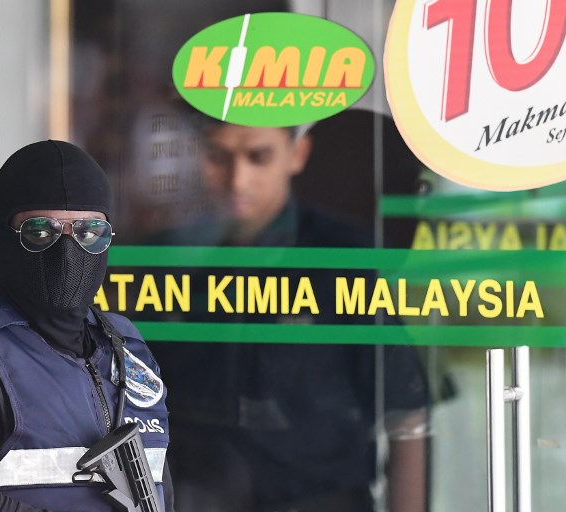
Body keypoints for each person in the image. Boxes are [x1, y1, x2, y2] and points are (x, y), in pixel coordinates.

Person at [147, 118, 429, 512]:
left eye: (258, 157)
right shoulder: (167, 260)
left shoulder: (342, 259)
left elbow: (407, 417)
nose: (237, 179)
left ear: (297, 154)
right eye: (218, 156)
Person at [0, 140, 173, 511]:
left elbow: (160, 489)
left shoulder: (126, 347)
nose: (68, 251)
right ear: (0, 237)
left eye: (89, 232)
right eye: (40, 232)